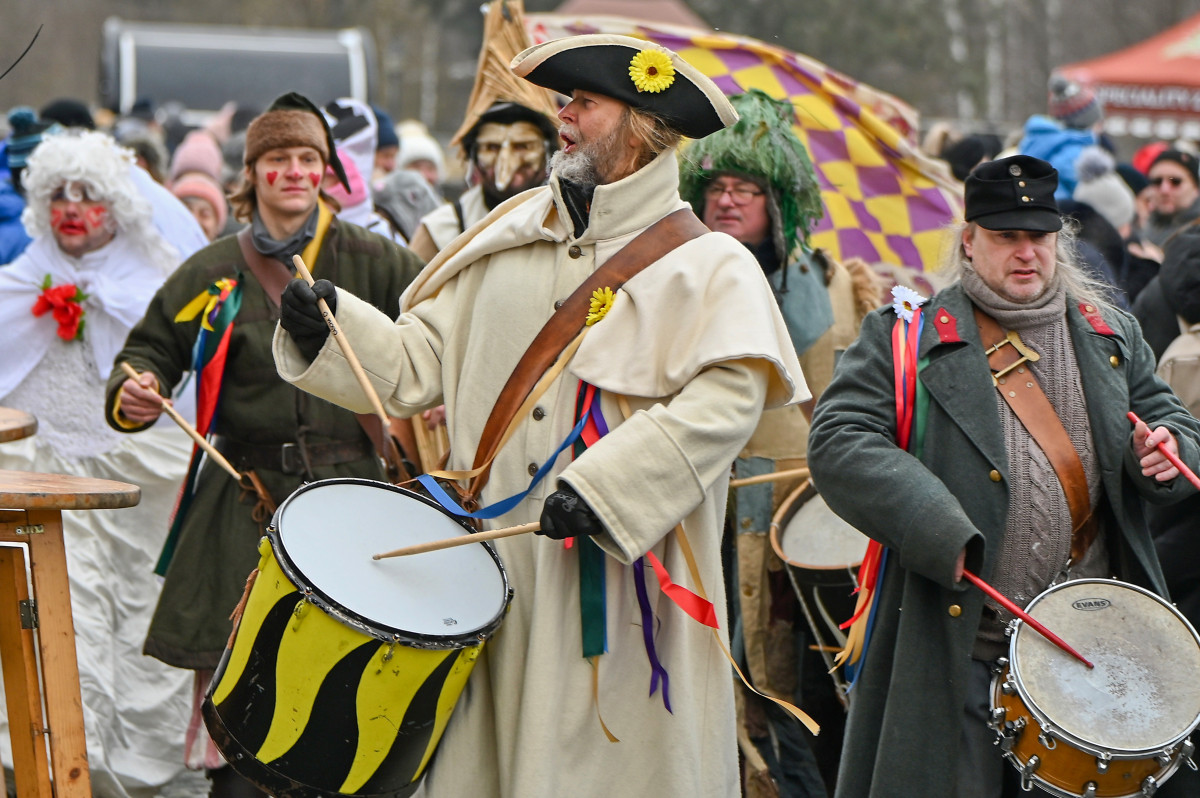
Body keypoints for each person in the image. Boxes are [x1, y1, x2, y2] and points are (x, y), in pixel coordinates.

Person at [275, 33, 808, 798]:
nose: (562, 118)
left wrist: (609, 488)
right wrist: (329, 327)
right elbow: (414, 366)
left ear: (643, 126)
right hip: (497, 577)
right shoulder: (507, 233)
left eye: (584, 103)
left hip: (628, 592)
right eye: (563, 101)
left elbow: (725, 403)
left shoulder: (710, 265)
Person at [806, 153, 1200, 798]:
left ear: (1058, 243)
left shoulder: (1110, 334)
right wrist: (935, 525)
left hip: (1092, 652)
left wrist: (1166, 451)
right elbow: (839, 438)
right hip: (959, 636)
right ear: (968, 242)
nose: (1025, 253)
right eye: (1004, 237)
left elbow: (1170, 421)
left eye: (1038, 238)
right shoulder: (904, 338)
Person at [103, 92, 425, 797]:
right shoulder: (215, 268)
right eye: (276, 159)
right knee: (244, 707)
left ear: (327, 171)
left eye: (308, 158)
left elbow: (436, 340)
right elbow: (150, 349)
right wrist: (138, 387)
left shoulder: (379, 260)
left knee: (349, 693)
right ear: (252, 174)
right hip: (245, 506)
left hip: (355, 503)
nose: (293, 171)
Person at [678, 87, 878, 797]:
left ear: (779, 201)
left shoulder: (835, 287)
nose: (728, 201)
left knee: (797, 699)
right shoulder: (671, 281)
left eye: (747, 189)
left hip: (802, 538)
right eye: (717, 188)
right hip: (698, 518)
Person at [0, 129, 196, 797]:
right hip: (43, 484)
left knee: (137, 627)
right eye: (59, 195)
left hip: (133, 489)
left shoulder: (157, 288)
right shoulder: (16, 287)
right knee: (57, 626)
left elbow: (184, 397)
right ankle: (49, 766)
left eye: (87, 194)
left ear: (117, 206)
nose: (72, 208)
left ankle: (131, 775)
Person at [407, 0, 560, 262]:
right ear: (473, 154)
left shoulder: (571, 223)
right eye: (491, 147)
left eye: (522, 146)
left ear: (546, 149)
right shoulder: (441, 231)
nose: (506, 163)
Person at [1018, 75, 1105, 200]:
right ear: (1085, 122)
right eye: (1098, 122)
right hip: (1068, 215)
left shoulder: (1034, 140)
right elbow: (1091, 196)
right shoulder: (1075, 152)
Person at [1141, 148, 1200, 248]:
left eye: (1175, 181)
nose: (1164, 190)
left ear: (1195, 188)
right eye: (1157, 181)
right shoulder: (1146, 226)